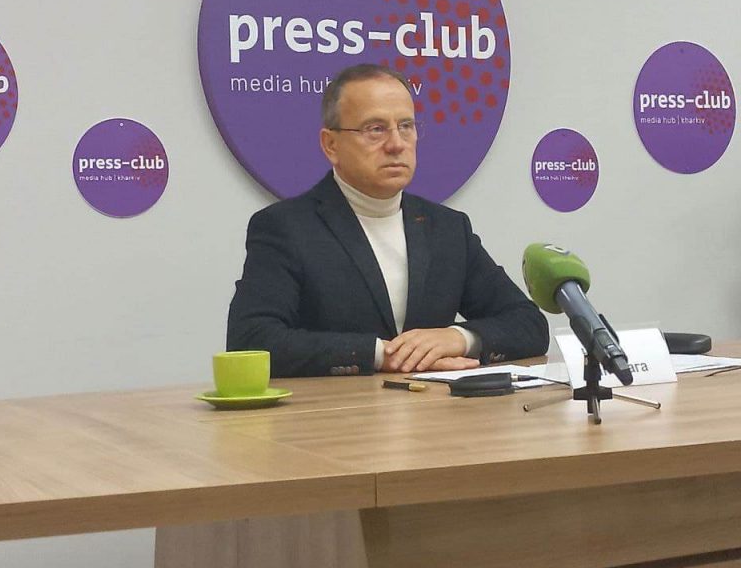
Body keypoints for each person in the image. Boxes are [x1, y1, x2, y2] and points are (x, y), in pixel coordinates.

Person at [226, 63, 549, 377]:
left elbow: (528, 324)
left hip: (435, 410)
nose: (396, 144)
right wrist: (381, 354)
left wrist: (459, 338)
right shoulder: (286, 228)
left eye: (406, 126)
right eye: (375, 129)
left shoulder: (447, 229)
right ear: (331, 144)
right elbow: (252, 339)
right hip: (337, 410)